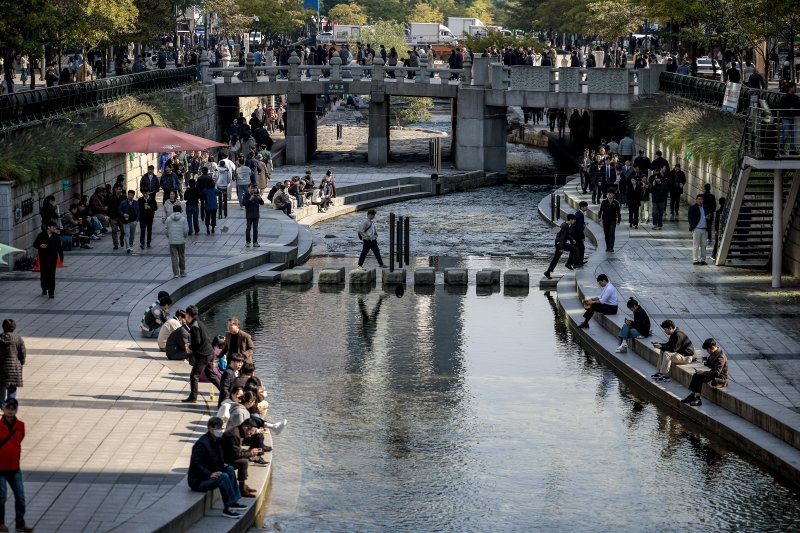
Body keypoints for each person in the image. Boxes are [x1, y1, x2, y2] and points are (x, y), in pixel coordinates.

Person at [187, 417, 248, 519]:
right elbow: (195, 464)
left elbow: (217, 458)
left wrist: (222, 466)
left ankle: (234, 502)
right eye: (216, 428)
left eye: (220, 427)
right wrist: (209, 474)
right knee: (223, 477)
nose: (219, 430)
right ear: (209, 428)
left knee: (230, 469)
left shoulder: (217, 440)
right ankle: (227, 508)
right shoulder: (202, 443)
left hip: (211, 472)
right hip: (198, 481)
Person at [0, 398, 33, 532]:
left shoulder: (20, 425)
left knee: (20, 497)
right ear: (3, 409)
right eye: (8, 408)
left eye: (13, 408)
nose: (10, 410)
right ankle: (0, 523)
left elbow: (19, 440)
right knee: (1, 496)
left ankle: (20, 523)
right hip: (0, 468)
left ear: (16, 409)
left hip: (14, 467)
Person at [183, 305, 220, 403]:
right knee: (210, 375)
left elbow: (197, 342)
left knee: (194, 375)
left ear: (188, 315)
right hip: (209, 352)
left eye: (186, 314)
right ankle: (225, 392)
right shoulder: (199, 322)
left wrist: (190, 347)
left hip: (203, 354)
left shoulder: (194, 326)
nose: (185, 316)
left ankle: (193, 397)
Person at [222, 419, 262, 498]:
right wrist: (250, 453)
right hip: (222, 461)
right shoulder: (234, 435)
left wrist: (249, 451)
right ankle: (242, 489)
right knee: (243, 462)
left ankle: (243, 485)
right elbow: (236, 454)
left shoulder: (237, 432)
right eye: (250, 432)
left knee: (244, 460)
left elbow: (237, 450)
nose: (250, 435)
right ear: (246, 428)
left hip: (227, 456)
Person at [682, 338, 729, 406]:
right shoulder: (715, 353)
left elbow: (716, 373)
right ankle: (692, 395)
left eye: (707, 349)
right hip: (715, 375)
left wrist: (703, 373)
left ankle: (697, 398)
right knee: (696, 375)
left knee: (700, 377)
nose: (707, 351)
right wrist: (705, 360)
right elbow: (712, 364)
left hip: (720, 379)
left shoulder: (721, 357)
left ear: (712, 347)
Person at [33, 221, 63, 298]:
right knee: (44, 274)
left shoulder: (56, 236)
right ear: (49, 227)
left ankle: (51, 292)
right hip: (44, 258)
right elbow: (35, 244)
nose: (55, 228)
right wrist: (40, 246)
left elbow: (59, 247)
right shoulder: (41, 235)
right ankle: (44, 288)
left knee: (52, 275)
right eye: (53, 227)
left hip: (53, 258)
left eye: (55, 227)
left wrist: (61, 257)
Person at [0, 319, 26, 406]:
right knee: (12, 390)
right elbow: (22, 353)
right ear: (14, 328)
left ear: (3, 327)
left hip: (1, 368)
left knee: (1, 389)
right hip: (14, 369)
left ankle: (2, 406)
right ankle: (10, 407)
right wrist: (21, 362)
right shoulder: (18, 339)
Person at [543, 214, 577, 279]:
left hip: (559, 243)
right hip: (560, 243)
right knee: (574, 249)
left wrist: (572, 239)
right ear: (570, 220)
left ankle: (548, 272)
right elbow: (562, 237)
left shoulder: (565, 224)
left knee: (556, 258)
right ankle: (568, 264)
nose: (574, 221)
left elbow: (566, 235)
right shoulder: (565, 226)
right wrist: (561, 248)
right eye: (574, 220)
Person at [166, 205, 188, 278]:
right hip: (181, 241)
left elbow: (166, 230)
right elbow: (186, 230)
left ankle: (175, 273)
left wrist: (169, 237)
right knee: (182, 256)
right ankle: (182, 272)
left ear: (173, 210)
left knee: (174, 257)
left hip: (172, 242)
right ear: (180, 210)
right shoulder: (183, 219)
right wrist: (184, 237)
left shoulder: (168, 219)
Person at [688, 194, 710, 265]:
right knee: (696, 245)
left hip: (704, 229)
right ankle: (695, 260)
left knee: (704, 245)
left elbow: (708, 217)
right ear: (696, 200)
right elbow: (690, 218)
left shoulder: (705, 208)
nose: (700, 201)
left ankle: (703, 259)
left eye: (701, 199)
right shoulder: (693, 208)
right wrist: (692, 227)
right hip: (697, 229)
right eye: (699, 199)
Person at [779, 82, 799, 155]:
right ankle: (782, 148)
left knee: (792, 135)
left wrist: (792, 109)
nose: (795, 89)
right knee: (785, 134)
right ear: (790, 88)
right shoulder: (785, 98)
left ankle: (792, 149)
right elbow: (783, 108)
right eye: (794, 87)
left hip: (791, 117)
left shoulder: (795, 98)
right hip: (786, 118)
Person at [119, 190, 139, 255]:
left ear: (133, 196)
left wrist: (137, 220)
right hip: (126, 221)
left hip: (133, 221)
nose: (130, 196)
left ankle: (130, 245)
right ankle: (128, 247)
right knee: (127, 233)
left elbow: (138, 212)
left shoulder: (136, 203)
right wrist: (123, 214)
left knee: (132, 234)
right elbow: (119, 210)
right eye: (129, 195)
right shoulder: (123, 202)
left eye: (132, 195)